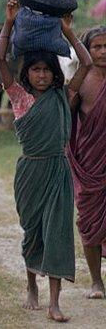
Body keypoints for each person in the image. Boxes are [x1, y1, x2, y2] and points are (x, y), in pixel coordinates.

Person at [0, 0, 92, 323]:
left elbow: (88, 64)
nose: (41, 75)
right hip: (30, 171)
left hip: (58, 170)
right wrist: (9, 22)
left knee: (57, 234)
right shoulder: (19, 98)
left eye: (46, 71)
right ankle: (31, 286)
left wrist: (67, 32)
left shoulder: (63, 96)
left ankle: (54, 303)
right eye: (35, 70)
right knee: (33, 232)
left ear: (54, 75)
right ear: (27, 73)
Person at [67, 26, 106, 299]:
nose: (103, 52)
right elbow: (64, 114)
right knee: (90, 221)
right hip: (89, 163)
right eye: (97, 47)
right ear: (87, 50)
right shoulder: (81, 80)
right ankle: (96, 281)